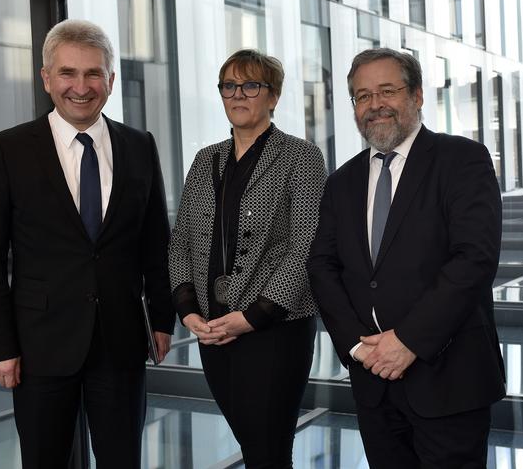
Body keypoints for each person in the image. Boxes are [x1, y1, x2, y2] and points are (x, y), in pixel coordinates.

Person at [0, 19, 175, 468]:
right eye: (67, 73)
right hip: (39, 346)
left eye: (93, 73)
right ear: (46, 78)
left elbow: (156, 243)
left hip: (120, 341)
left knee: (122, 459)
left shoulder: (140, 145)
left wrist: (161, 319)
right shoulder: (9, 148)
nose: (80, 87)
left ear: (111, 80)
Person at [307, 48, 505, 468]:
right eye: (362, 96)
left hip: (450, 380)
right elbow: (322, 266)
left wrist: (408, 341)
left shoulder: (462, 160)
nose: (374, 105)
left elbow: (474, 259)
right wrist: (358, 349)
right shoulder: (342, 181)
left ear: (416, 95)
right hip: (373, 383)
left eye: (386, 91)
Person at [168, 49, 326, 468]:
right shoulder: (206, 160)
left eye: (251, 85)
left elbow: (305, 244)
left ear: (272, 97)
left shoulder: (302, 157)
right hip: (211, 328)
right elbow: (182, 239)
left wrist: (253, 316)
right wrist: (187, 312)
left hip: (273, 330)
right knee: (250, 441)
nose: (238, 94)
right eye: (229, 86)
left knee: (268, 450)